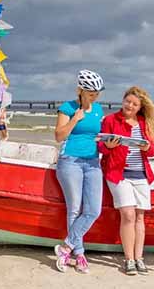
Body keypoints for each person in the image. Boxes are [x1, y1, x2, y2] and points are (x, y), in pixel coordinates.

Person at [98, 86, 154, 276]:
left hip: (141, 175)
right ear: (123, 100)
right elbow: (101, 147)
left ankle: (139, 259)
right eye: (128, 101)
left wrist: (146, 147)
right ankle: (129, 260)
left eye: (135, 104)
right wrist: (108, 146)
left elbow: (152, 151)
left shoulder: (143, 122)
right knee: (128, 214)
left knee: (140, 217)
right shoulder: (111, 120)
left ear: (139, 107)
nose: (130, 105)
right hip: (118, 174)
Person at [53, 69, 105, 274]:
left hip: (92, 162)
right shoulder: (67, 108)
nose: (95, 96)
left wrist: (108, 141)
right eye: (91, 93)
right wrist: (75, 119)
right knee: (74, 209)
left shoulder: (99, 109)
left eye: (97, 93)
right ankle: (79, 253)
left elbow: (98, 135)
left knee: (93, 210)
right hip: (70, 162)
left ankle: (65, 247)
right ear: (80, 90)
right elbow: (58, 136)